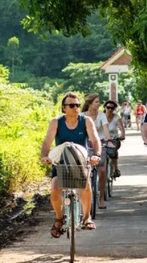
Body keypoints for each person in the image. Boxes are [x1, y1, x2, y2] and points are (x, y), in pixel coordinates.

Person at [40, 92, 101, 237]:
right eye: (72, 105)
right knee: (55, 187)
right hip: (61, 163)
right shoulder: (56, 122)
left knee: (86, 184)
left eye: (78, 105)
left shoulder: (86, 121)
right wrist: (44, 156)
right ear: (63, 108)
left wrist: (96, 155)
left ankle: (87, 217)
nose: (76, 108)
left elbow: (95, 140)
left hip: (81, 162)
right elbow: (47, 142)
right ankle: (59, 218)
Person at [82, 93, 113, 209]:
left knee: (103, 171)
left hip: (100, 144)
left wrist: (109, 140)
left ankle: (101, 198)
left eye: (99, 102)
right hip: (86, 145)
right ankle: (85, 197)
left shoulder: (102, 116)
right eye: (96, 102)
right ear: (90, 103)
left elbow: (105, 129)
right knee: (84, 172)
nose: (99, 104)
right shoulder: (82, 116)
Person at [103, 100, 126, 177]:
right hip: (102, 139)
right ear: (105, 108)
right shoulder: (100, 116)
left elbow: (121, 128)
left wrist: (122, 135)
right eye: (108, 107)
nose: (110, 109)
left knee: (113, 151)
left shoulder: (116, 117)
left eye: (112, 108)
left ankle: (116, 169)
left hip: (114, 139)